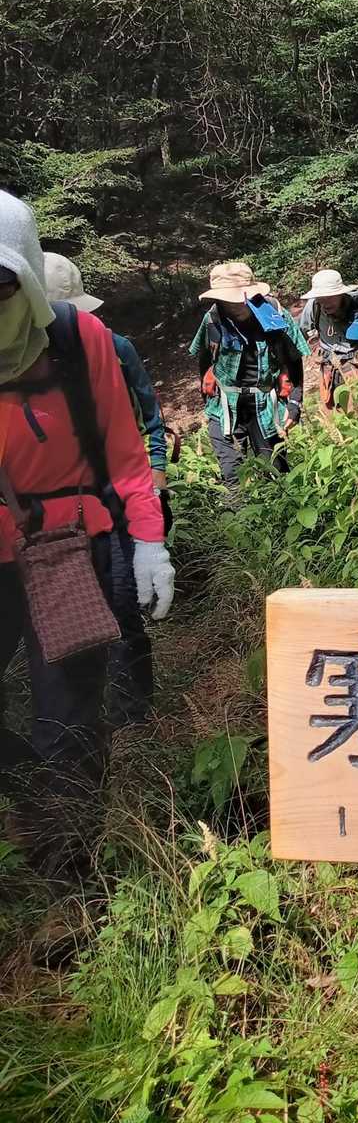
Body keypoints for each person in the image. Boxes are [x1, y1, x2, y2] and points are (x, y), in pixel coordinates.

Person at [0, 192, 174, 886]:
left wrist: (149, 543)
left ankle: (72, 874)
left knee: (66, 718)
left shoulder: (81, 340)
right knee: (48, 735)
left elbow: (128, 458)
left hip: (70, 550)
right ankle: (32, 795)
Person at [44, 252, 169, 727]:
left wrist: (156, 473)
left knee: (124, 609)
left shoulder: (114, 347)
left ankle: (132, 714)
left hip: (116, 498)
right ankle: (82, 717)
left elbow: (151, 415)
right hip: (57, 513)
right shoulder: (16, 362)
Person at [189, 261, 308, 485]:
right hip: (225, 406)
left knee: (276, 473)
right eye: (226, 299)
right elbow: (204, 362)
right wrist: (208, 401)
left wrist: (295, 403)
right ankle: (238, 508)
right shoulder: (212, 319)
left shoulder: (275, 315)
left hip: (265, 405)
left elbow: (294, 360)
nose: (232, 304)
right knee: (232, 475)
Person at [299, 268, 358, 411]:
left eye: (329, 297)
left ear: (340, 294)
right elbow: (303, 330)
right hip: (328, 370)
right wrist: (315, 345)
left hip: (356, 367)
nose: (325, 303)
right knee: (332, 416)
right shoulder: (313, 306)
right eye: (320, 298)